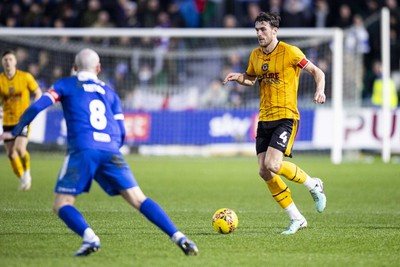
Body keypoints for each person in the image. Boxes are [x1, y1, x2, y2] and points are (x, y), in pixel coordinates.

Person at [0, 48, 198, 257]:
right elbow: (122, 133)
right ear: (99, 68)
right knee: (138, 199)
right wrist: (109, 152)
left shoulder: (66, 84)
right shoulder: (110, 93)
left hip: (83, 149)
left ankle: (90, 238)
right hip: (111, 150)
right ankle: (179, 236)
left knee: (61, 204)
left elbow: (36, 107)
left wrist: (16, 129)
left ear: (75, 67)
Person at [223, 12, 327, 235]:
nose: (259, 34)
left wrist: (320, 90)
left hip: (286, 116)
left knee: (272, 164)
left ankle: (312, 183)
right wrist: (238, 77)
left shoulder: (290, 52)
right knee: (264, 171)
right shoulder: (255, 55)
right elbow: (251, 79)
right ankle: (297, 218)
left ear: (274, 31)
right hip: (264, 119)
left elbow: (317, 72)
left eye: (263, 30)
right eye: (257, 30)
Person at [0, 49, 42, 191]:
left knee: (19, 148)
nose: (8, 62)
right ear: (2, 62)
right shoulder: (0, 80)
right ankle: (22, 178)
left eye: (10, 59)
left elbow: (37, 92)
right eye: (5, 59)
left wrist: (34, 108)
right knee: (11, 154)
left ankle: (27, 172)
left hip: (22, 120)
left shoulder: (25, 77)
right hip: (7, 121)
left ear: (15, 61)